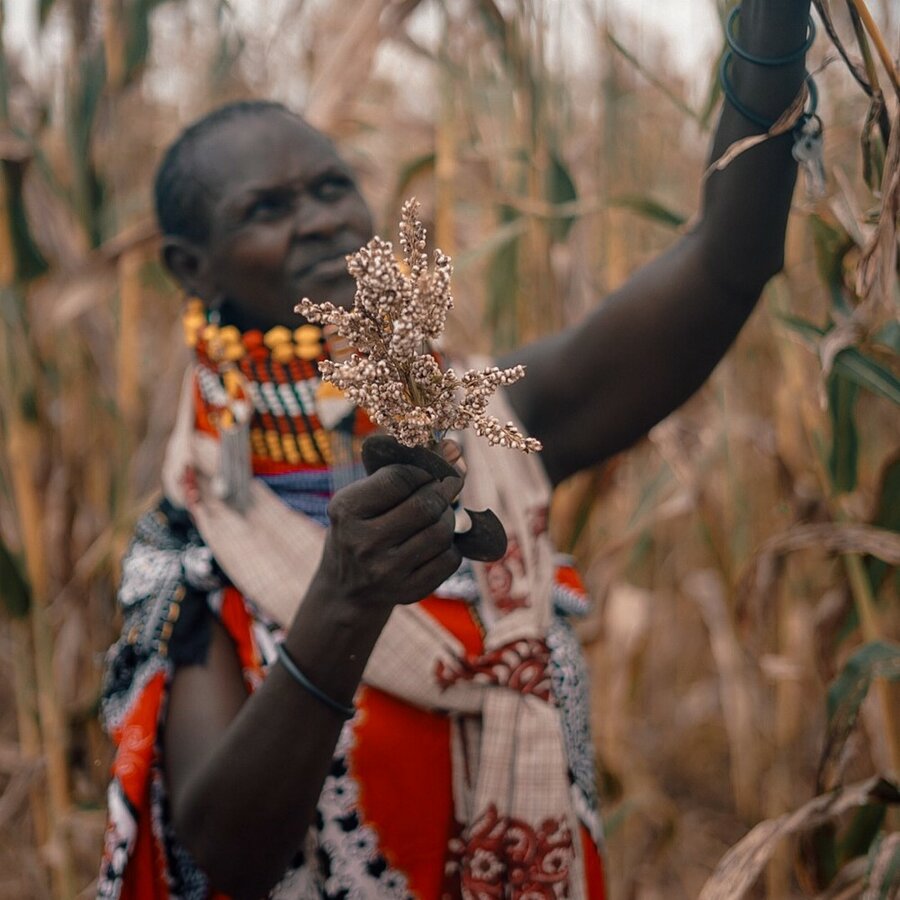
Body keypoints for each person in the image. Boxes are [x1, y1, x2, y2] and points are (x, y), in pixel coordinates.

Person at [98, 2, 817, 897]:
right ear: (193, 269)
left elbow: (725, 262)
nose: (320, 219)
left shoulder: (491, 421)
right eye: (268, 208)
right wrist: (345, 601)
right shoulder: (191, 547)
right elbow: (226, 856)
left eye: (331, 187)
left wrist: (773, 33)